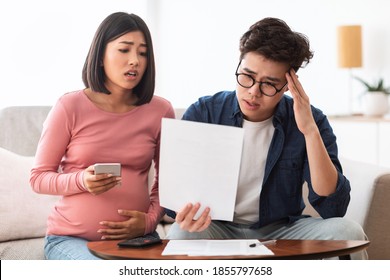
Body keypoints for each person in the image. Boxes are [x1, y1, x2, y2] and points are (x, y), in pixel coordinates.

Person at [165, 17, 367, 259]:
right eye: (247, 76)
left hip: (283, 231)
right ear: (239, 65)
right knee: (180, 234)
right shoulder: (205, 111)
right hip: (218, 227)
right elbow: (174, 197)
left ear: (288, 86)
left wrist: (309, 131)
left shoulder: (311, 120)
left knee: (348, 231)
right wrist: (186, 214)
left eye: (269, 84)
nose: (253, 92)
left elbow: (333, 207)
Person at [30, 12, 174, 260]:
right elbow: (38, 178)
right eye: (124, 50)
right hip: (72, 239)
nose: (135, 61)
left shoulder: (160, 111)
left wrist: (150, 221)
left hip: (137, 240)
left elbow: (169, 182)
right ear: (100, 57)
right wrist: (81, 181)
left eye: (142, 53)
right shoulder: (69, 106)